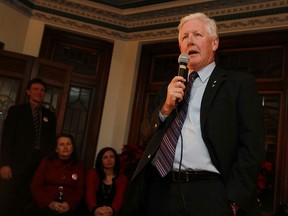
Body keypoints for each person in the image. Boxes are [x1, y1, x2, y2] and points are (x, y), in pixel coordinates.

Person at [119, 12, 264, 216]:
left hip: (210, 192)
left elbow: (252, 146)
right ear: (180, 49)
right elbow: (145, 138)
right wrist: (166, 108)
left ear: (214, 43)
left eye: (197, 35)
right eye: (185, 37)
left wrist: (235, 198)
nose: (190, 41)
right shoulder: (169, 89)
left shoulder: (237, 84)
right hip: (161, 189)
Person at [0, 77, 57, 216]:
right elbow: (7, 139)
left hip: (38, 165)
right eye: (36, 89)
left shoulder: (49, 115)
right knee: (9, 199)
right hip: (16, 164)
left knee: (30, 201)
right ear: (28, 91)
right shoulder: (16, 111)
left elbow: (50, 142)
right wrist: (5, 164)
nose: (39, 92)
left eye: (42, 90)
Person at [30, 133, 84, 216]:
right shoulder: (46, 162)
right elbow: (35, 187)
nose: (65, 147)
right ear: (56, 149)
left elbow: (79, 191)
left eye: (68, 144)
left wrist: (69, 204)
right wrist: (49, 203)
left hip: (68, 208)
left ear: (72, 148)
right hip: (46, 206)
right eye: (62, 144)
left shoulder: (78, 166)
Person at [86, 147, 129, 216]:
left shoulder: (122, 178)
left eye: (111, 157)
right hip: (93, 212)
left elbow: (119, 197)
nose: (109, 160)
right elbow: (90, 194)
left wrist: (111, 211)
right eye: (105, 157)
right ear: (100, 160)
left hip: (111, 213)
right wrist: (95, 210)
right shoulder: (93, 174)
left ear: (116, 159)